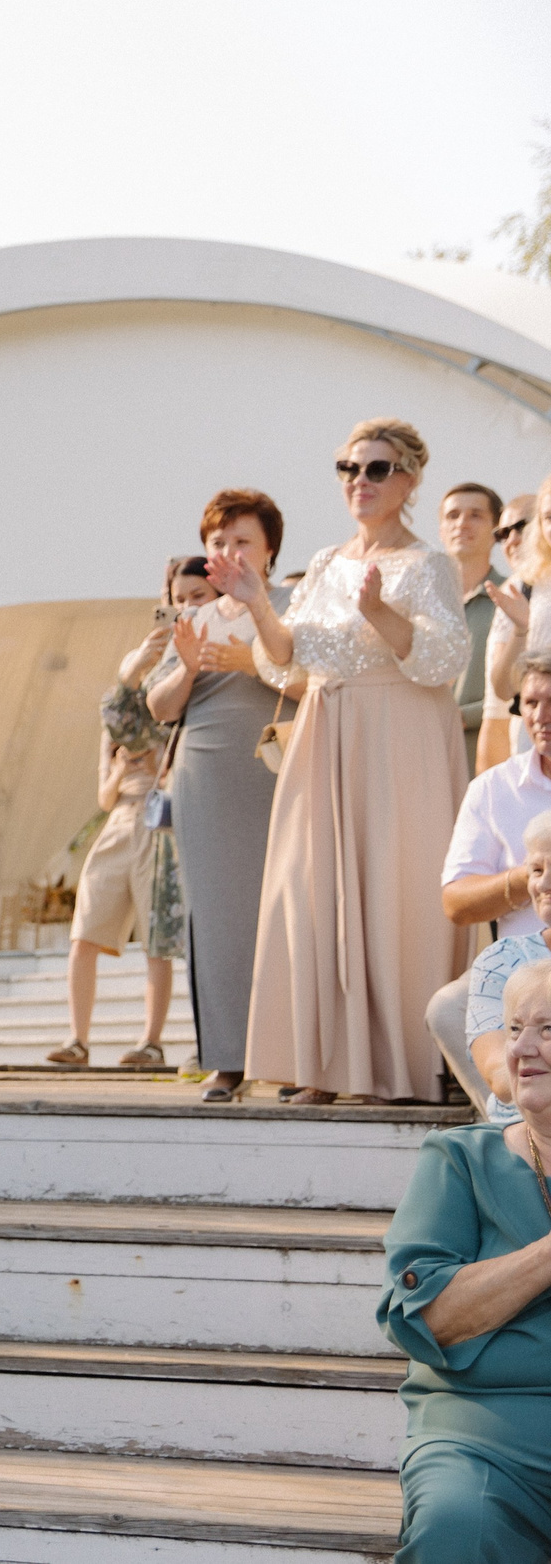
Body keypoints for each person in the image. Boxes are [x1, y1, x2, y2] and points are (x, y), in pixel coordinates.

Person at [233, 421, 471, 1103]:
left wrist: (378, 613)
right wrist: (255, 603)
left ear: (409, 480)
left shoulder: (427, 565)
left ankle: (393, 1068)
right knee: (312, 893)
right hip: (324, 732)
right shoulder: (324, 561)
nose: (359, 480)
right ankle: (325, 1065)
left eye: (376, 468)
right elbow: (287, 658)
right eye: (348, 467)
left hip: (398, 739)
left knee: (393, 892)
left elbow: (444, 658)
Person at [378, 959, 551, 1562]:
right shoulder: (460, 1161)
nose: (521, 1048)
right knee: (458, 1527)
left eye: (548, 1029)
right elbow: (428, 1318)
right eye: (514, 1029)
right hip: (486, 1445)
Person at [145, 489, 289, 1102]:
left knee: (287, 915)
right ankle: (227, 1060)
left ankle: (292, 1058)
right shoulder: (197, 617)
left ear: (270, 549)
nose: (229, 553)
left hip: (280, 772)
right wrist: (187, 667)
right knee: (216, 919)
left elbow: (311, 680)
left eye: (242, 542)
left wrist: (251, 660)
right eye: (218, 543)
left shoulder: (294, 605)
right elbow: (159, 706)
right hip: (205, 779)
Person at [51, 558, 209, 1069]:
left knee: (158, 938)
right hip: (120, 818)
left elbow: (149, 730)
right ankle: (77, 1039)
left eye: (197, 597)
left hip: (164, 819)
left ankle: (151, 1041)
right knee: (85, 932)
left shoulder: (198, 668)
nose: (185, 608)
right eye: (178, 600)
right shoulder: (139, 673)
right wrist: (133, 669)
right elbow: (118, 737)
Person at [433, 662, 551, 1108]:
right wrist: (530, 876)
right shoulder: (493, 788)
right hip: (517, 968)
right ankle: (513, 1130)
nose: (540, 716)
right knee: (447, 1007)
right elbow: (455, 902)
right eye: (531, 702)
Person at [455, 811, 551, 1129]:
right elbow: (501, 1076)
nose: (543, 884)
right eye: (536, 870)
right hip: (523, 1140)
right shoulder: (502, 961)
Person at [441, 482, 507, 775]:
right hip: (422, 754)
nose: (462, 523)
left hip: (485, 760)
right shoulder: (421, 603)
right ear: (441, 529)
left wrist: (463, 716)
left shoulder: (512, 598)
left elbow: (522, 684)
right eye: (453, 515)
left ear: (497, 530)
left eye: (476, 515)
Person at [479, 493, 536, 773]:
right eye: (502, 533)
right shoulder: (512, 592)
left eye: (521, 527)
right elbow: (500, 696)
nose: (511, 540)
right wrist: (521, 630)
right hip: (530, 752)